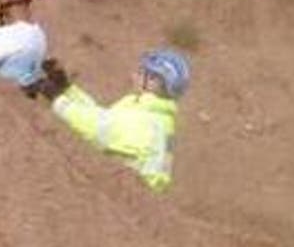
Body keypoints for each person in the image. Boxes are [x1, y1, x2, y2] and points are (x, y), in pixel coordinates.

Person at [31, 49, 190, 193]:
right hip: (139, 198)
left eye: (141, 72)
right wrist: (66, 88)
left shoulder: (145, 122)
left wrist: (56, 99)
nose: (134, 75)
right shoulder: (153, 115)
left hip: (135, 200)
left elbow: (96, 127)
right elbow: (102, 116)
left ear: (155, 82)